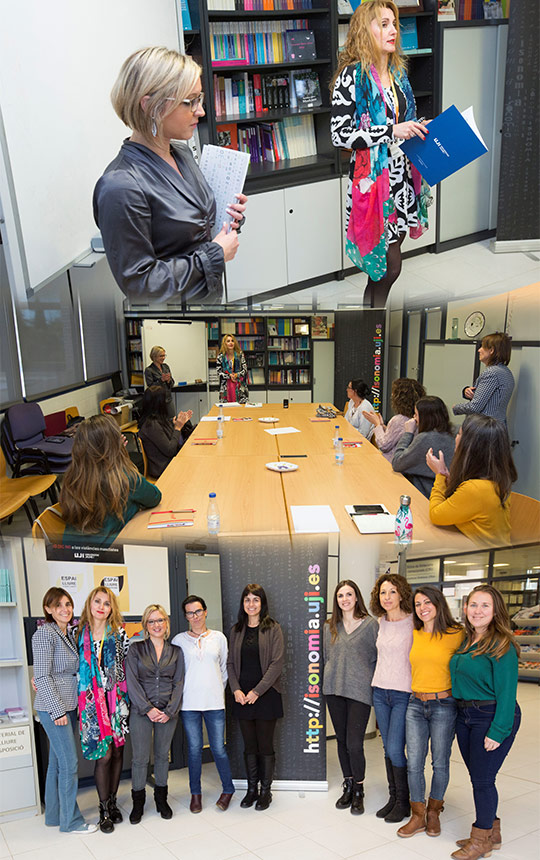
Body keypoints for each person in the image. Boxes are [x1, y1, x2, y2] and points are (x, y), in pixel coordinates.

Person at [93, 46, 247, 305]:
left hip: (207, 302)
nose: (201, 111)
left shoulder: (181, 153)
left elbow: (194, 228)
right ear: (151, 106)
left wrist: (229, 221)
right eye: (190, 102)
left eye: (200, 100)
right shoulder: (121, 186)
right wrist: (214, 255)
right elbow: (140, 285)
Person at [331, 0, 430, 308]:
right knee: (388, 266)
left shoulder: (399, 75)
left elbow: (406, 120)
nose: (393, 30)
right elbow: (340, 134)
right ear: (364, 30)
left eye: (394, 24)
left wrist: (419, 127)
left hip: (401, 181)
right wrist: (390, 131)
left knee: (383, 271)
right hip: (373, 183)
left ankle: (370, 325)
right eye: (383, 24)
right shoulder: (352, 76)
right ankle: (372, 325)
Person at [450, 585, 521, 859]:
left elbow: (507, 692)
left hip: (490, 717)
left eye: (485, 606)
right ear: (465, 609)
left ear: (495, 611)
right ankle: (492, 830)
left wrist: (499, 730)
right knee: (479, 777)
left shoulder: (502, 643)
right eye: (473, 605)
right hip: (465, 715)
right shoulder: (467, 641)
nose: (477, 611)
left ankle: (481, 841)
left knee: (482, 780)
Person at [398, 587, 464, 840]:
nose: (422, 607)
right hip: (415, 704)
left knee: (440, 762)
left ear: (438, 604)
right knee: (414, 762)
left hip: (444, 705)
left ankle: (434, 811)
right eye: (417, 604)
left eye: (427, 602)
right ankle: (418, 814)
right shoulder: (414, 633)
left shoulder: (456, 633)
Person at [32, 588, 97, 834]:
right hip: (55, 708)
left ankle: (54, 815)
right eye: (57, 605)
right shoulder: (44, 635)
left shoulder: (66, 633)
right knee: (69, 764)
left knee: (57, 763)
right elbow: (42, 675)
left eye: (68, 604)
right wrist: (57, 711)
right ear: (48, 609)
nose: (64, 609)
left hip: (69, 704)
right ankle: (71, 822)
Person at [171, 595, 235, 813]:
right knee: (195, 750)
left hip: (215, 702)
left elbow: (224, 670)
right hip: (189, 703)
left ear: (205, 611)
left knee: (218, 748)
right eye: (190, 613)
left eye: (198, 611)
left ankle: (228, 789)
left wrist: (215, 689)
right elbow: (176, 673)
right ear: (186, 616)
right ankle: (195, 794)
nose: (195, 616)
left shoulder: (219, 638)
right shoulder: (179, 640)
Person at [60, 414, 161, 547]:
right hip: (104, 558)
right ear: (114, 446)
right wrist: (123, 459)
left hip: (70, 555)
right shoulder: (125, 478)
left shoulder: (72, 478)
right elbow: (154, 497)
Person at [77, 587, 130, 833]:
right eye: (97, 601)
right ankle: (104, 809)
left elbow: (126, 667)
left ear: (112, 609)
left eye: (106, 603)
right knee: (104, 755)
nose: (101, 606)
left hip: (116, 702)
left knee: (118, 753)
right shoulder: (77, 633)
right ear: (89, 604)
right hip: (90, 705)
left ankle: (113, 801)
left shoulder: (119, 634)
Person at [125, 604, 185, 824]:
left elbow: (179, 682)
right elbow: (132, 682)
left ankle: (161, 800)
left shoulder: (176, 652)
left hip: (168, 713)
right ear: (146, 626)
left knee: (162, 757)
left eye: (160, 620)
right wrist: (148, 708)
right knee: (140, 759)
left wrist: (169, 711)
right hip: (142, 712)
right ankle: (138, 804)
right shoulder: (136, 649)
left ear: (166, 624)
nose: (156, 625)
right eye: (152, 621)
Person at [227, 584, 284, 810]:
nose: (251, 604)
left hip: (266, 696)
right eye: (247, 600)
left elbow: (276, 664)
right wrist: (236, 690)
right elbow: (230, 663)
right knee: (249, 745)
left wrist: (256, 692)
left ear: (262, 603)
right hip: (241, 697)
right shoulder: (236, 630)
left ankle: (265, 792)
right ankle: (251, 790)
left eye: (256, 600)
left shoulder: (273, 628)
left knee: (265, 745)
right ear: (243, 604)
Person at [323, 581, 378, 815]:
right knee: (342, 741)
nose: (344, 599)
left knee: (355, 744)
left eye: (349, 594)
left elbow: (377, 658)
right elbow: (327, 657)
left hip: (359, 692)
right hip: (334, 690)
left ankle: (359, 789)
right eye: (340, 596)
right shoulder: (329, 626)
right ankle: (347, 784)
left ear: (357, 597)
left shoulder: (370, 625)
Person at [426, 414, 517, 545]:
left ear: (470, 446)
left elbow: (436, 515)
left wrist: (440, 475)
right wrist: (447, 477)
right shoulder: (495, 481)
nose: (456, 438)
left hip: (484, 560)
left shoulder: (476, 489)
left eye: (459, 434)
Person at [370, 573, 413, 823]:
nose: (387, 597)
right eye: (383, 592)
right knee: (387, 748)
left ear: (401, 594)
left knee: (396, 749)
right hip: (380, 690)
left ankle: (404, 803)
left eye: (392, 592)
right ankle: (393, 797)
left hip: (402, 693)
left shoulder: (413, 621)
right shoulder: (380, 621)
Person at [392, 395, 455, 497]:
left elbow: (397, 463)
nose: (414, 418)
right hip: (445, 493)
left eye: (416, 415)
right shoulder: (453, 433)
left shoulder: (426, 438)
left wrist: (408, 433)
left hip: (425, 494)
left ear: (425, 418)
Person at [453, 332, 514, 425]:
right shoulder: (506, 372)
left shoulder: (491, 373)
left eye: (482, 347)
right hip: (498, 426)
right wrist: (467, 391)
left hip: (485, 428)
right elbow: (492, 399)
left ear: (491, 350)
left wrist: (456, 408)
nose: (479, 350)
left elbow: (475, 407)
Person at [362, 377, 425, 461]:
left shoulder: (398, 420)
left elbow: (384, 445)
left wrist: (377, 424)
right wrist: (382, 426)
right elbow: (396, 436)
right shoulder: (417, 418)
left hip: (391, 464)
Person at [138, 385, 193, 478]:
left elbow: (168, 437)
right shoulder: (151, 425)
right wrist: (178, 428)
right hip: (164, 468)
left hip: (169, 463)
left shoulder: (157, 419)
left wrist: (177, 424)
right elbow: (170, 450)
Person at [144, 346, 176, 419]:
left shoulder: (166, 367)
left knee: (172, 419)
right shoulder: (149, 370)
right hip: (157, 401)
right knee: (160, 421)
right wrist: (161, 380)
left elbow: (172, 384)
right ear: (154, 356)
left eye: (164, 355)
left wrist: (168, 381)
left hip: (168, 399)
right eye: (161, 356)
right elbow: (151, 387)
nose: (163, 358)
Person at [217, 333, 249, 403]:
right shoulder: (220, 357)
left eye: (232, 341)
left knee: (241, 411)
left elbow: (245, 370)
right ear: (224, 343)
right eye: (228, 341)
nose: (230, 343)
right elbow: (219, 372)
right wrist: (229, 376)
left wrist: (236, 375)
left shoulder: (240, 355)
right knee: (227, 411)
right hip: (226, 389)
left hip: (240, 388)